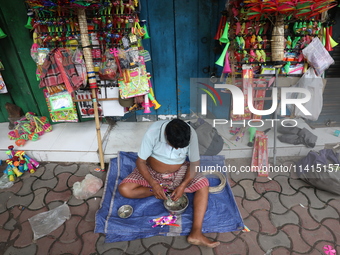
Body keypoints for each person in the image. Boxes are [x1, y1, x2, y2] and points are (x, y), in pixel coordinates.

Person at [119, 118, 220, 248]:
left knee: (203, 184)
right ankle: (158, 191)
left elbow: (195, 163)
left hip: (179, 173)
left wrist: (183, 185)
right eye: (174, 146)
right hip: (151, 174)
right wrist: (154, 184)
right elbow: (140, 162)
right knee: (124, 189)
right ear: (166, 135)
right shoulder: (153, 131)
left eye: (180, 147)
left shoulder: (190, 134)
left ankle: (196, 233)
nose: (177, 149)